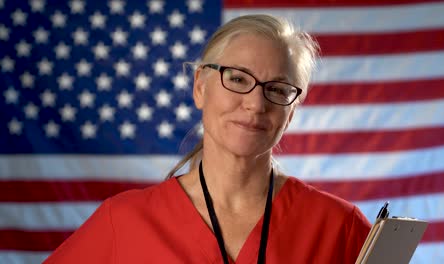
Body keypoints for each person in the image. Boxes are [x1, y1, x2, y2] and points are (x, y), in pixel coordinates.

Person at [45, 14, 371, 263]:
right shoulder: (124, 220)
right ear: (200, 86)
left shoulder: (340, 227)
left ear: (292, 111)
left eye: (277, 89)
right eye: (238, 78)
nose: (256, 104)